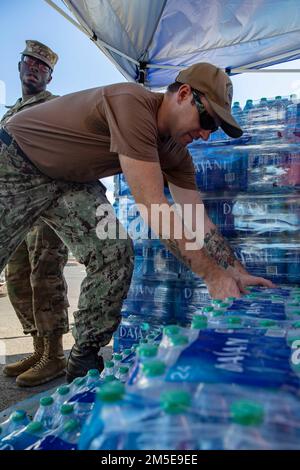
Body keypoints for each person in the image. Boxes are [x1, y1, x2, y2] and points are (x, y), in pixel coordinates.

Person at [0, 62, 274, 382]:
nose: (205, 134)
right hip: (15, 161)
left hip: (70, 180)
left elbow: (198, 220)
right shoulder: (131, 102)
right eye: (208, 120)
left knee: (114, 251)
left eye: (214, 129)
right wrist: (213, 278)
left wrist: (235, 272)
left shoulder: (176, 152)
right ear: (183, 94)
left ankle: (83, 357)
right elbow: (154, 207)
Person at [0, 40, 69, 387]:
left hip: (48, 209)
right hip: (16, 213)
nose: (34, 68)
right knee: (17, 279)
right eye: (30, 61)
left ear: (49, 75)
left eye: (42, 66)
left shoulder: (55, 106)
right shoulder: (9, 112)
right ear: (19, 66)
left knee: (45, 278)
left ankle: (55, 355)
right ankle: (38, 347)